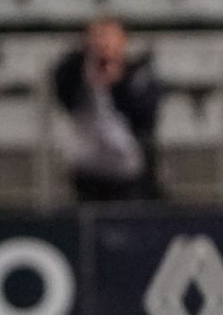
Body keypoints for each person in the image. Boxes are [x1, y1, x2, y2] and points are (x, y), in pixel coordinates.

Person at [51, 16, 161, 202]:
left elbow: (145, 116)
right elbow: (63, 93)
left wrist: (118, 82)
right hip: (87, 168)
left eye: (109, 38)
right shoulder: (75, 70)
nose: (103, 44)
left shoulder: (137, 74)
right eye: (98, 37)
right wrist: (91, 75)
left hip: (128, 168)